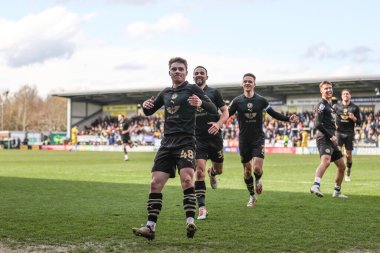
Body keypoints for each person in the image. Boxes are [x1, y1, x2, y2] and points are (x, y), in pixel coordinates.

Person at [132, 57, 217, 240]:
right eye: (174, 69)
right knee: (155, 183)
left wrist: (201, 103)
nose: (177, 71)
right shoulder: (165, 92)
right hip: (167, 144)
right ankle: (150, 227)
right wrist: (145, 107)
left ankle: (189, 221)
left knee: (187, 179)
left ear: (186, 72)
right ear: (169, 72)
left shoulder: (193, 89)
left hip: (186, 142)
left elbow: (214, 110)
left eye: (180, 69)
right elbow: (150, 111)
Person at [228, 73, 298, 207]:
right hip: (243, 140)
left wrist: (288, 119)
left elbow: (273, 113)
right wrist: (215, 121)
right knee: (247, 171)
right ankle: (252, 196)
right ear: (242, 84)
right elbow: (227, 114)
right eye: (245, 81)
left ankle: (258, 180)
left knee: (257, 169)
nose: (247, 83)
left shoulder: (261, 100)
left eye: (250, 81)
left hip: (258, 138)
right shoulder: (237, 101)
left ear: (254, 84)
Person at [193, 66, 229, 220]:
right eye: (196, 73)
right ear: (193, 76)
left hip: (214, 138)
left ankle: (212, 173)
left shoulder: (214, 92)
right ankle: (202, 208)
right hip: (197, 139)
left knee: (219, 169)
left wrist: (218, 124)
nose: (199, 75)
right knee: (199, 171)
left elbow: (225, 112)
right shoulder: (188, 93)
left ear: (207, 76)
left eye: (202, 73)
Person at [310, 81, 348, 198]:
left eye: (330, 88)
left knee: (342, 165)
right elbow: (317, 124)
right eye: (326, 88)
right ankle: (315, 185)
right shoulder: (321, 105)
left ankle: (337, 191)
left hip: (332, 140)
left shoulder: (330, 106)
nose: (329, 90)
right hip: (324, 137)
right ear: (321, 90)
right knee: (326, 161)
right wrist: (330, 135)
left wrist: (335, 128)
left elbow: (329, 122)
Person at [334, 89, 361, 181]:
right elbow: (331, 117)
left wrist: (354, 118)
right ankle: (341, 169)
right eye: (344, 94)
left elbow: (360, 122)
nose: (346, 95)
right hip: (338, 133)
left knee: (348, 155)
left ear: (350, 96)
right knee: (337, 153)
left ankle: (348, 172)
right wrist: (334, 124)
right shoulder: (336, 106)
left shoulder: (355, 107)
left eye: (347, 94)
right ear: (341, 96)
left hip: (349, 133)